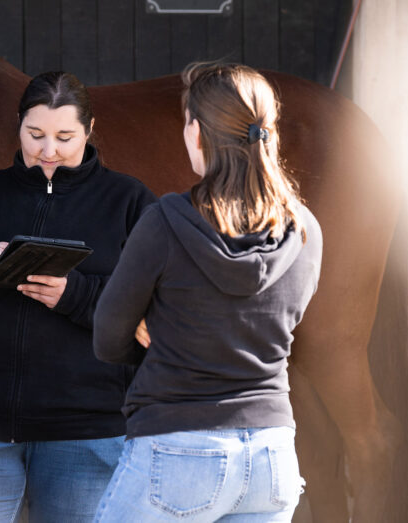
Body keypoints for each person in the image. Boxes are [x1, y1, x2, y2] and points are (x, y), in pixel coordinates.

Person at [0, 71, 157, 523]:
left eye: (64, 137)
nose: (48, 150)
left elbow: (158, 312)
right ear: (18, 126)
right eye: (34, 135)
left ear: (90, 131)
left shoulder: (129, 203)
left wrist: (74, 294)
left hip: (87, 434)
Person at [92, 64, 323, 522]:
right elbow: (282, 321)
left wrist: (160, 331)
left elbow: (107, 337)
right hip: (272, 457)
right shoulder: (305, 230)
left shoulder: (166, 222)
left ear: (197, 131)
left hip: (178, 447)